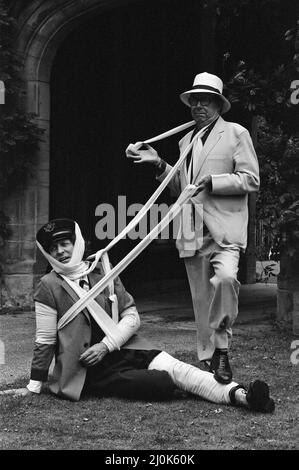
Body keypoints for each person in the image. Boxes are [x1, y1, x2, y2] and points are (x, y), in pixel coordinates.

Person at [8, 218, 274, 413]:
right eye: (53, 248)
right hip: (90, 370)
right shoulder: (48, 285)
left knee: (181, 369)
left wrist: (106, 345)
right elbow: (44, 340)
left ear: (76, 242)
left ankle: (243, 396)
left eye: (64, 243)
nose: (60, 252)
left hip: (125, 348)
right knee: (162, 382)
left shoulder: (103, 269)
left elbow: (132, 316)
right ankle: (217, 393)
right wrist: (34, 385)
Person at [126, 72, 260, 385]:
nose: (199, 105)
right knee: (201, 299)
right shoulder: (186, 140)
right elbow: (182, 189)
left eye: (206, 100)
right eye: (195, 100)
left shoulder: (236, 134)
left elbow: (251, 179)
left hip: (224, 229)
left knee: (225, 279)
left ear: (218, 104)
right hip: (191, 231)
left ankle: (222, 349)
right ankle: (208, 360)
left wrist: (215, 182)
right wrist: (159, 163)